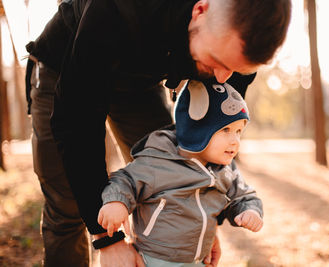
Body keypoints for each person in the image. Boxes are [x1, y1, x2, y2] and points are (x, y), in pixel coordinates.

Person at [24, 0, 291, 266]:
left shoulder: (240, 47)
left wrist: (202, 219)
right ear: (200, 11)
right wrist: (107, 239)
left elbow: (209, 138)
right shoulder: (120, 9)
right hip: (64, 69)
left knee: (173, 173)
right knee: (68, 206)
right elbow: (77, 123)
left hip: (138, 85)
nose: (223, 78)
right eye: (217, 61)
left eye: (237, 69)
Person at [98, 79, 263, 267]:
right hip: (154, 259)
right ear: (198, 130)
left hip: (197, 259)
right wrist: (117, 201)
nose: (235, 141)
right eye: (226, 129)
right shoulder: (159, 160)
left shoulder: (226, 170)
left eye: (239, 131)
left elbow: (243, 195)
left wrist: (250, 210)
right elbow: (126, 179)